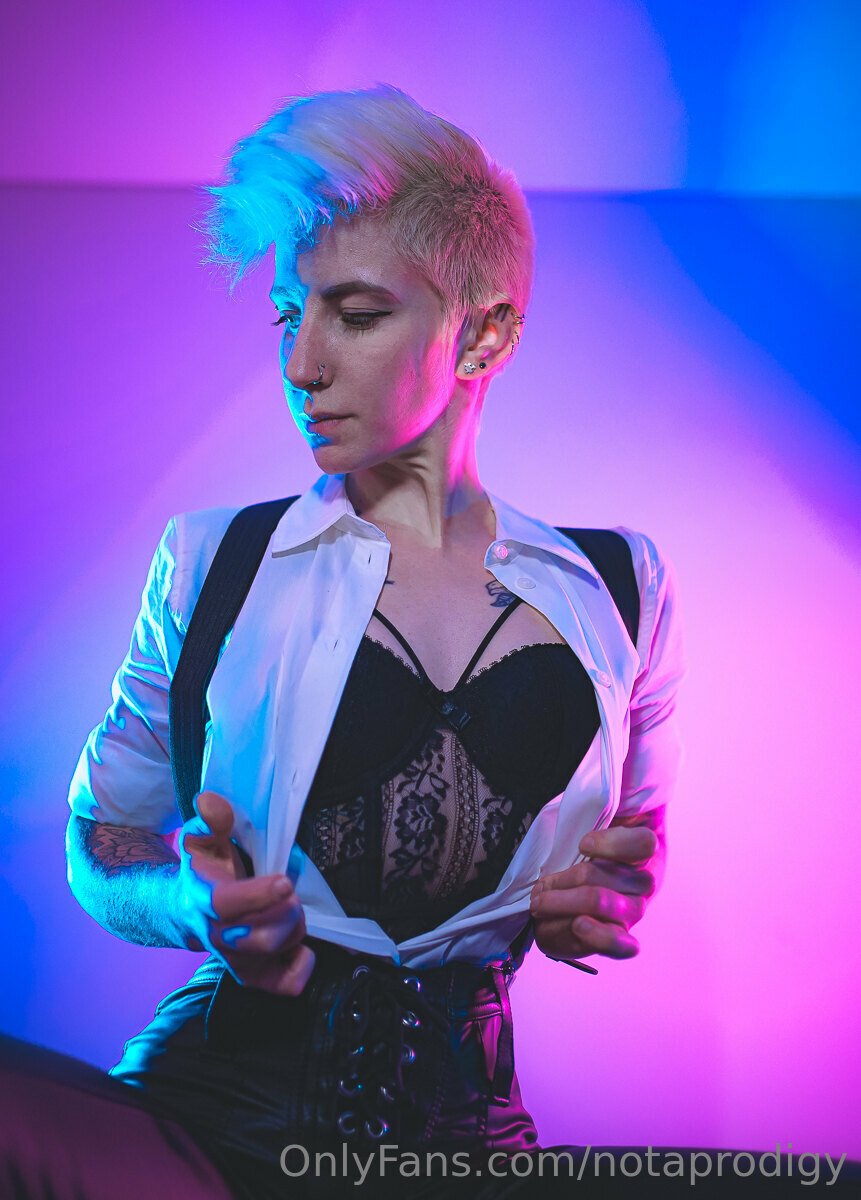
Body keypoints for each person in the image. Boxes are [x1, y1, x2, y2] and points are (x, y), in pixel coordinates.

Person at [0, 85, 685, 1198]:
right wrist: (189, 908)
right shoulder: (214, 562)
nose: (300, 362)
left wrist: (606, 900)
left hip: (471, 1148)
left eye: (355, 314)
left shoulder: (620, 588)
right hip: (207, 1133)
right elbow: (102, 839)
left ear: (485, 333)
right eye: (287, 316)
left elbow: (630, 855)